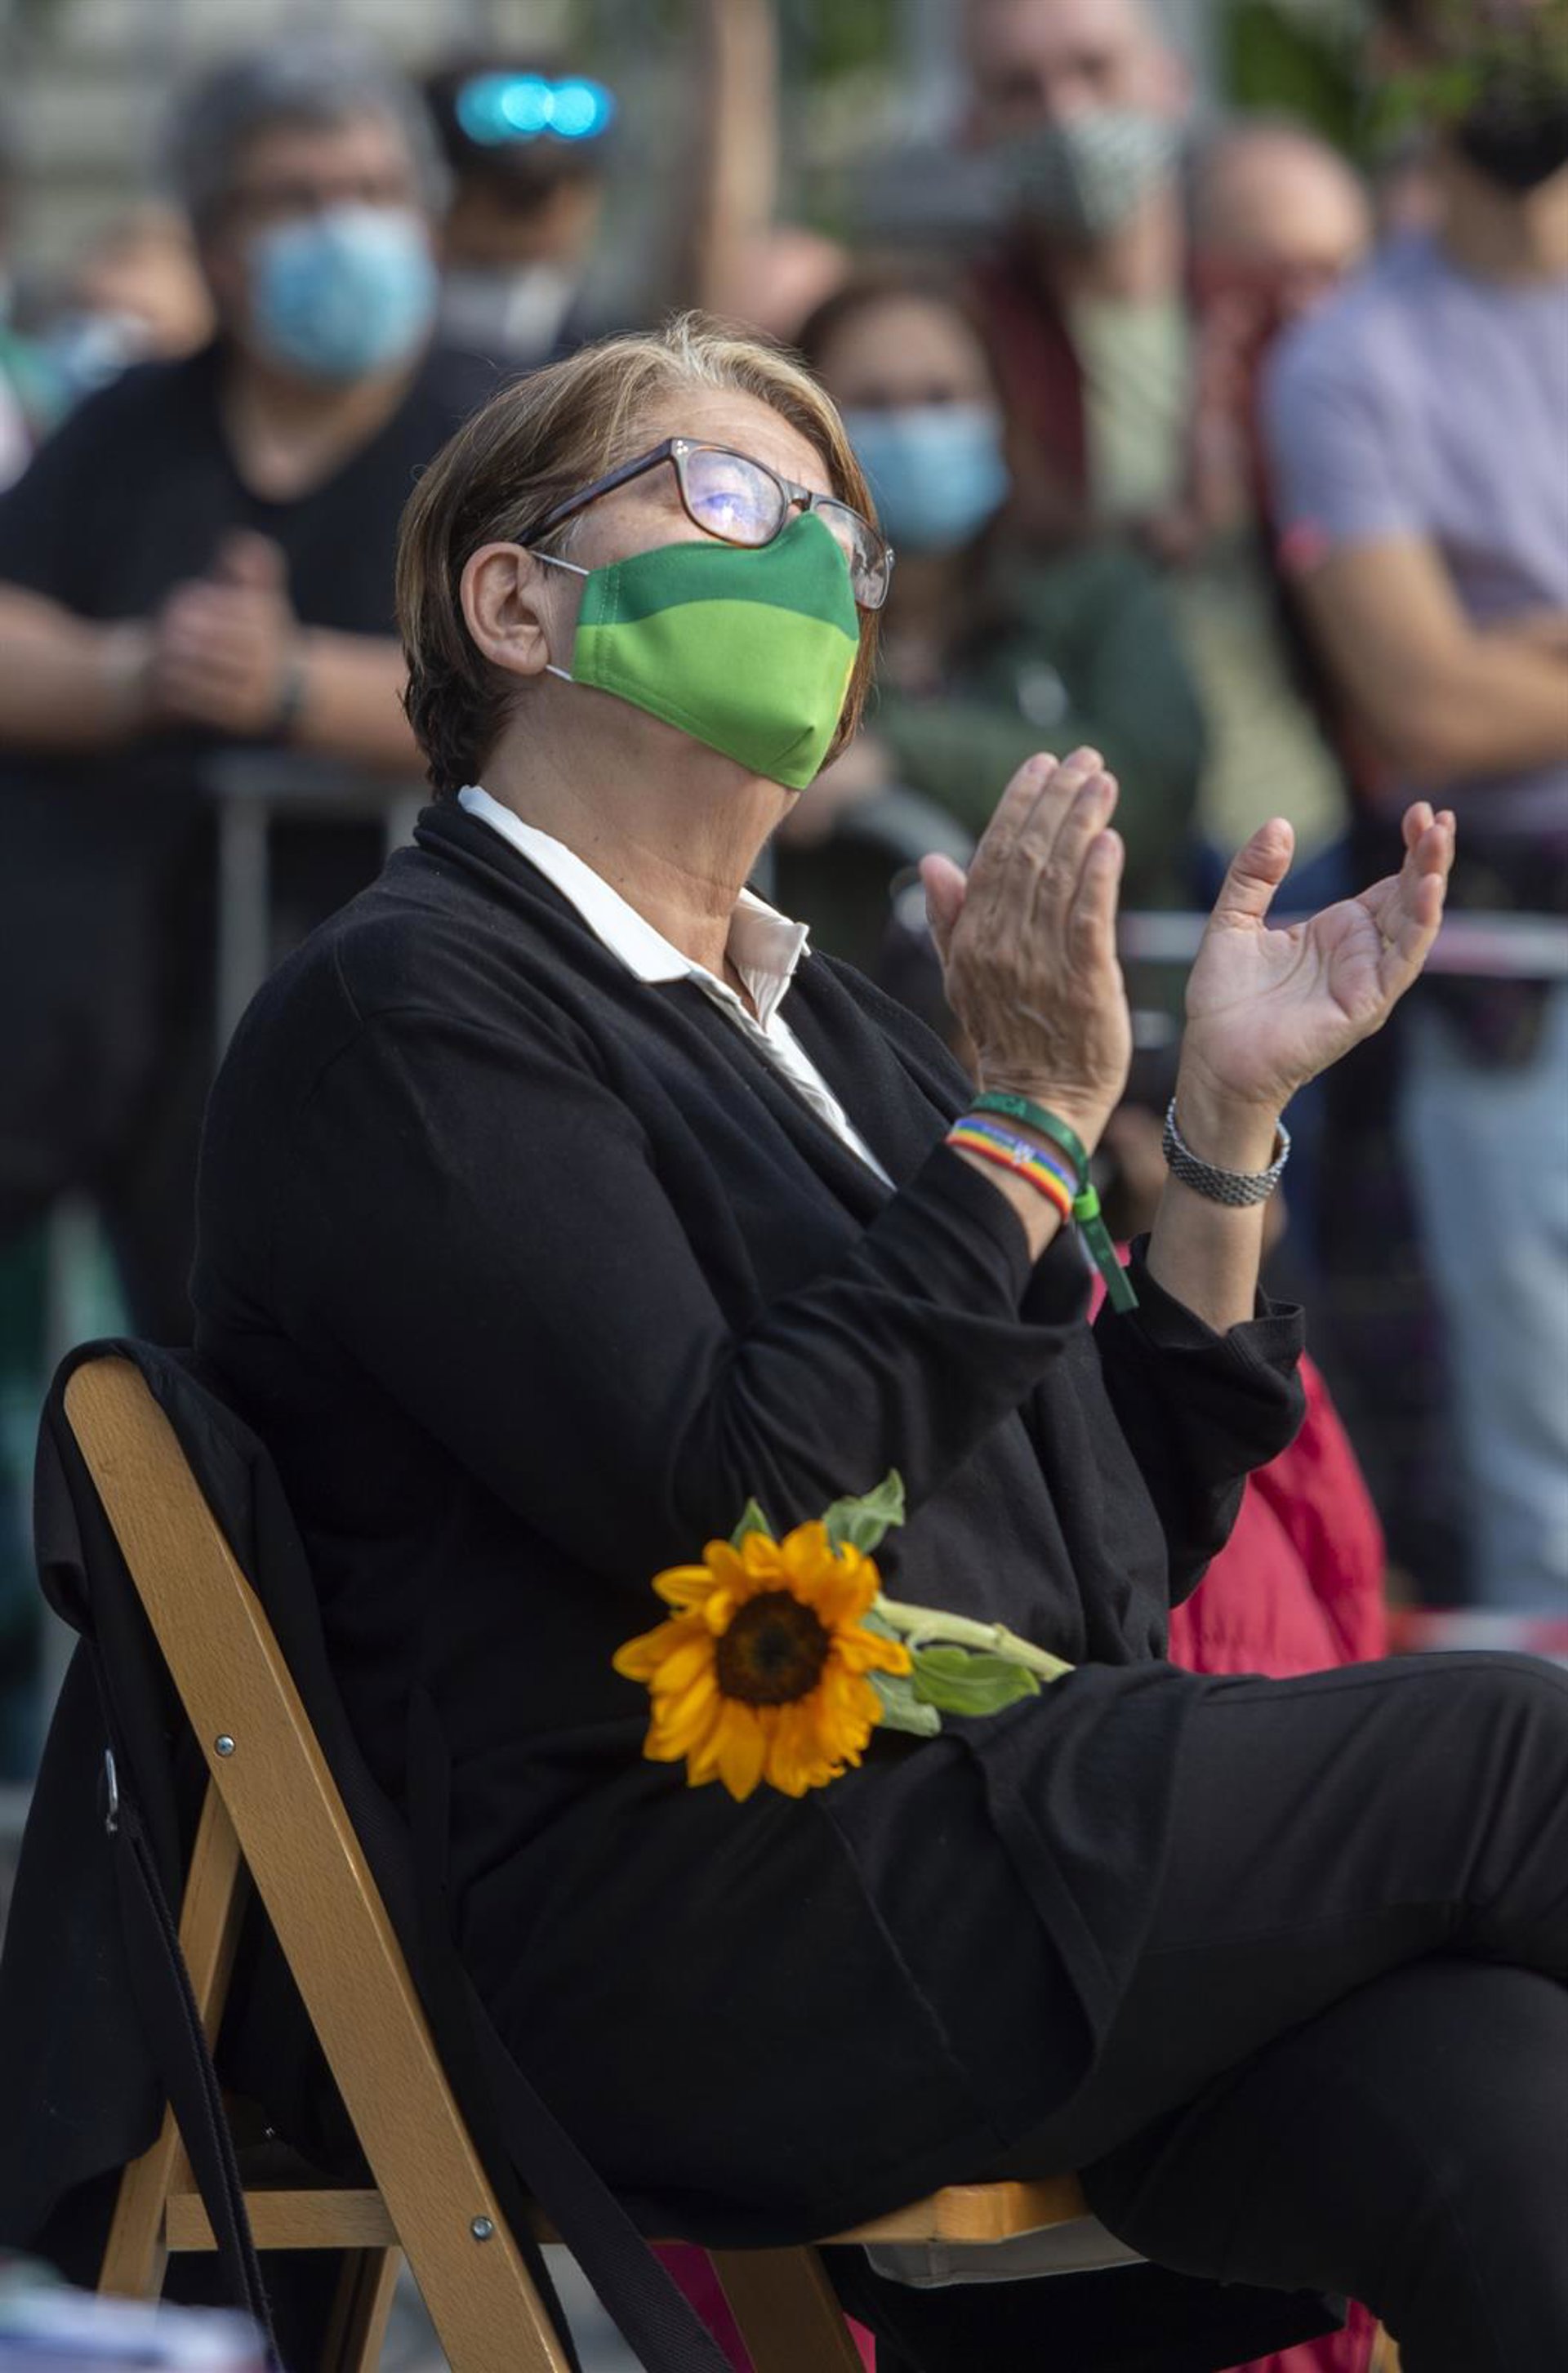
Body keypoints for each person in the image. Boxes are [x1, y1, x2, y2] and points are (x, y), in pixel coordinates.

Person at [189, 314, 1568, 2373]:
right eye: (730, 496)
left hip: (997, 1852)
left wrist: (1215, 1135)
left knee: (1510, 2113)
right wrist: (1023, 1124)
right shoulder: (410, 1009)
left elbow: (1107, 1535)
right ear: (516, 603)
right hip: (705, 1921)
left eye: (842, 536)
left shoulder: (830, 1022)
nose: (814, 563)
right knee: (1522, 1751)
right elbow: (731, 1490)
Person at [0, 38, 492, 1342]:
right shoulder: (132, 425)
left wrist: (292, 687)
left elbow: (556, 694)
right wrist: (138, 672)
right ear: (216, 243)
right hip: (108, 1027)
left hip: (388, 1020)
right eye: (297, 198)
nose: (345, 226)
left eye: (374, 191)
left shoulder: (505, 434)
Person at [1264, 0, 1568, 1612]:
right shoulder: (1348, 362)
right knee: (1541, 1479)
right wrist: (1460, 673)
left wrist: (1511, 647)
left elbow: (1459, 680)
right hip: (1508, 973)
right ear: (1399, 52)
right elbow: (1427, 707)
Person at [792, 269, 1205, 914]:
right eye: (872, 402)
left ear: (1000, 412)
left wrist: (899, 753)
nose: (911, 429)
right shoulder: (777, 607)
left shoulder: (1095, 583)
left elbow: (1150, 784)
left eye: (941, 399)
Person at [422, 52, 615, 371]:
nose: (540, 218)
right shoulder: (379, 362)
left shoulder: (613, 365)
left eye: (548, 193)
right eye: (514, 197)